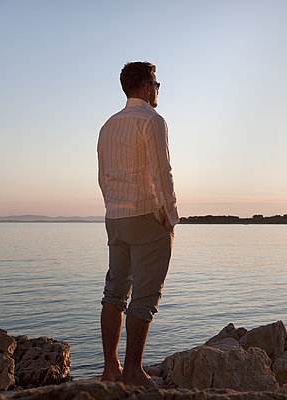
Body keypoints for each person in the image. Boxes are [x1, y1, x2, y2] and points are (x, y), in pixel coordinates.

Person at [97, 61, 179, 387]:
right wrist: (170, 216)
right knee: (145, 297)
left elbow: (103, 174)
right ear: (146, 87)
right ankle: (133, 371)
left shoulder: (108, 125)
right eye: (157, 84)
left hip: (114, 217)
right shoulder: (152, 121)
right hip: (147, 216)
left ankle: (109, 369)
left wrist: (112, 207)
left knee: (114, 293)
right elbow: (163, 172)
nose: (158, 90)